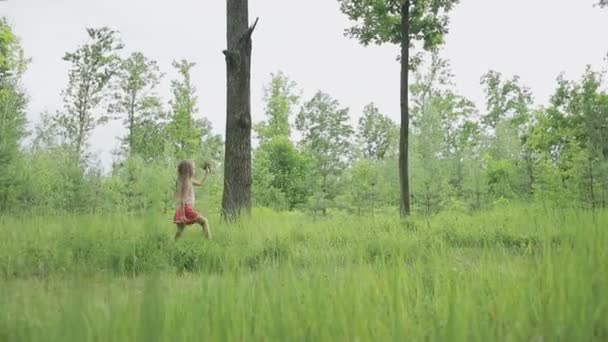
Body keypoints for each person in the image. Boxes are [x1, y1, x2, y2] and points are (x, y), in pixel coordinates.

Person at [173, 160, 211, 240]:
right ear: (188, 170)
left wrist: (206, 174)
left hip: (183, 208)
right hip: (186, 208)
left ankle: (172, 244)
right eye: (193, 168)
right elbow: (182, 199)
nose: (194, 170)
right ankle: (209, 242)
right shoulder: (186, 182)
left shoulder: (189, 180)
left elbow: (200, 183)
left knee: (180, 230)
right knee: (204, 221)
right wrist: (183, 215)